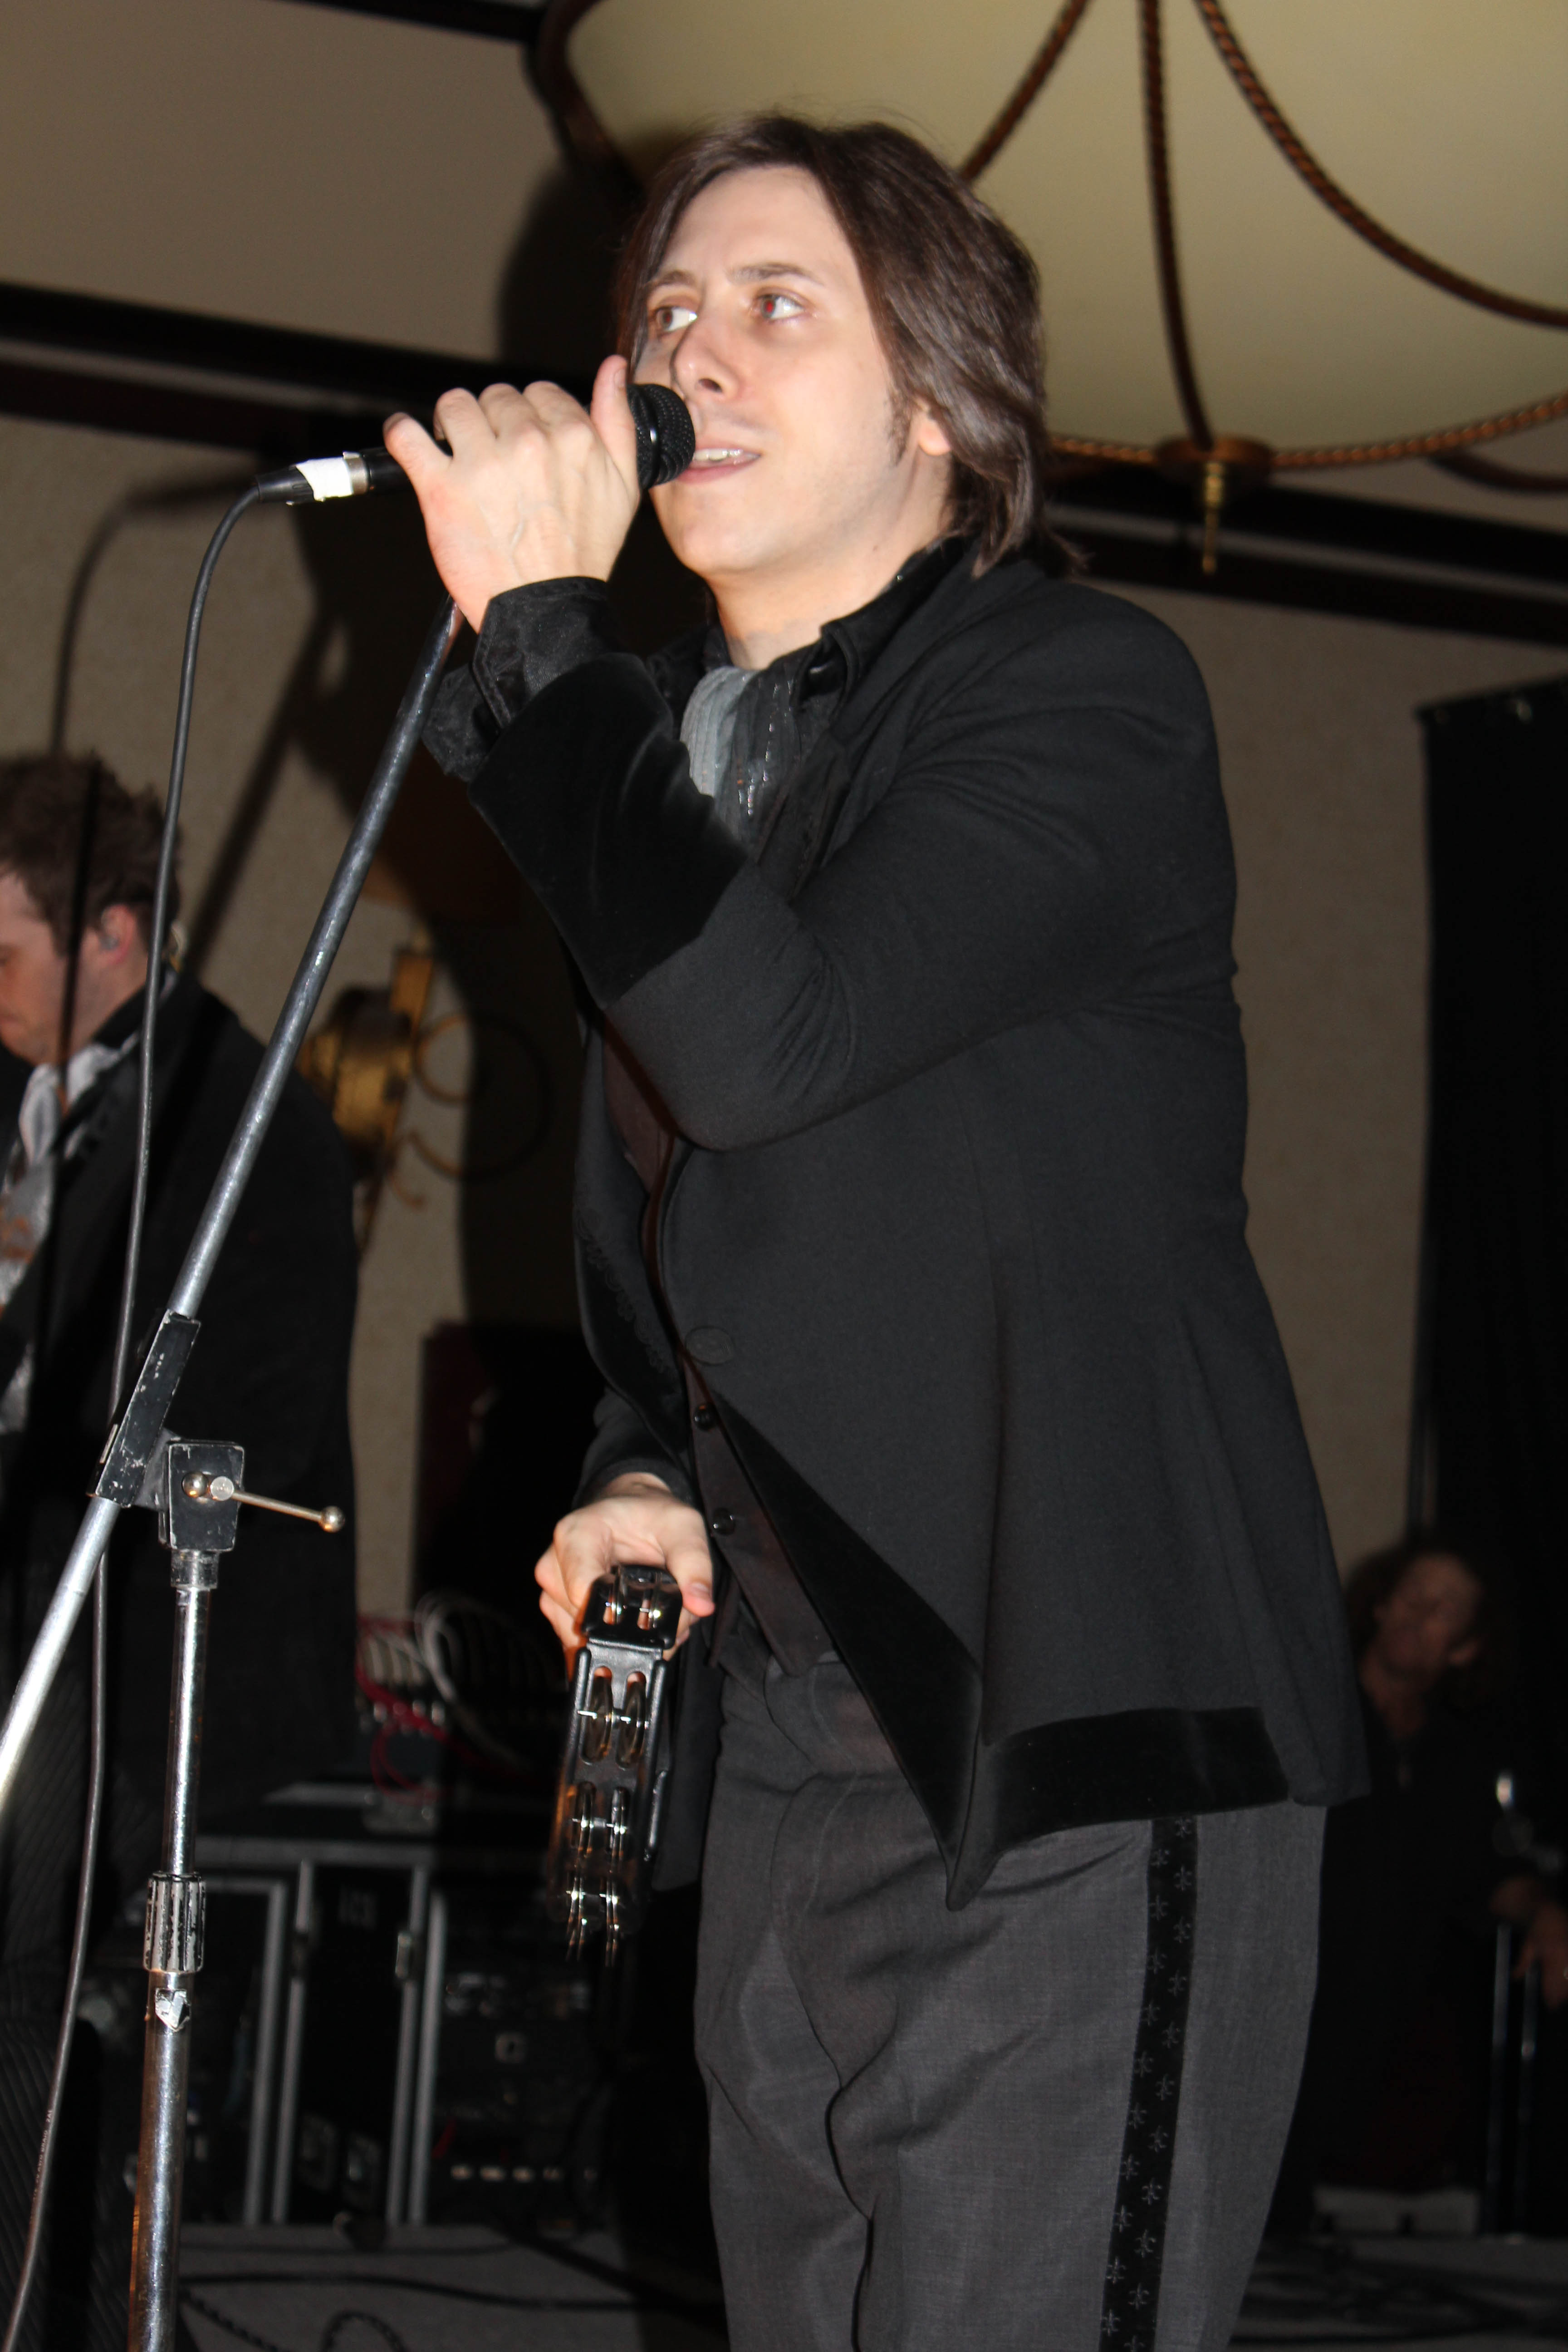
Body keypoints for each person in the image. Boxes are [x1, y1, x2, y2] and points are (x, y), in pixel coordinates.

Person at [392, 117, 1365, 2352]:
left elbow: (775, 1045)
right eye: (663, 313)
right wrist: (639, 1468)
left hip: (1073, 1737)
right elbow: (682, 1269)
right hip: (797, 1752)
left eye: (773, 305)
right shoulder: (677, 770)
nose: (687, 355)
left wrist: (543, 635)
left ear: (938, 397)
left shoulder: (1076, 688)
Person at [0, 752, 359, 2348]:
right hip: (33, 1623)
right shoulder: (24, 1082)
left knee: (43, 2002)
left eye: (5, 950)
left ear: (115, 933)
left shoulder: (242, 1115)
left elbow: (258, 1418)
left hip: (133, 1654)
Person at [1273, 1532, 1568, 2230]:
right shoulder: (1309, 1709)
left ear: (1466, 1647)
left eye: (1445, 1608)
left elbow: (1488, 1875)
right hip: (1277, 2009)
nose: (1419, 1613)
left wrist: (1546, 1912)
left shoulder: (1456, 1759)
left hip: (1367, 2036)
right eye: (1413, 1594)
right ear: (1380, 1604)